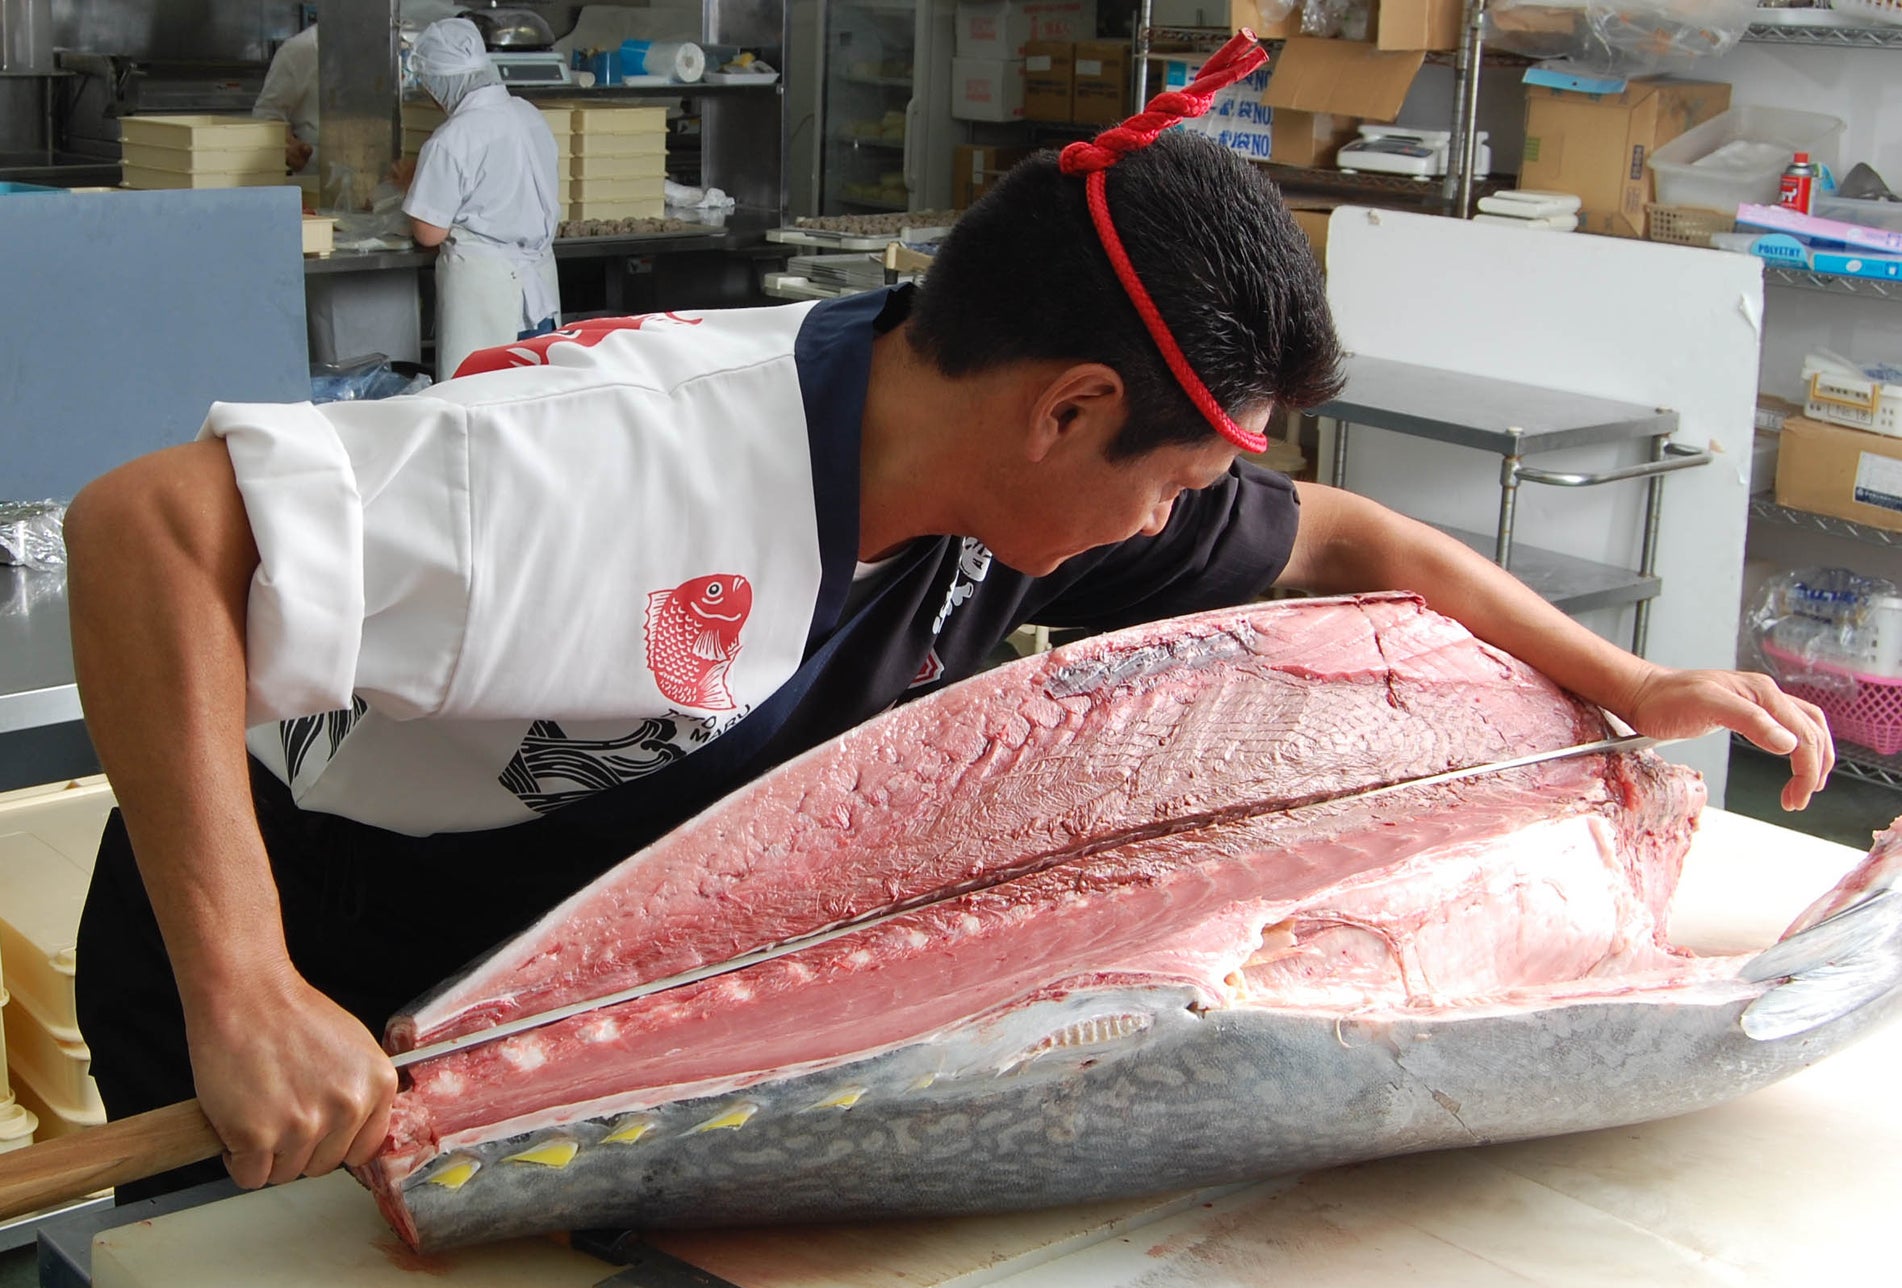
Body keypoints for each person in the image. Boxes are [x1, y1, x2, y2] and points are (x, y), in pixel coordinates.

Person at [63, 35, 1831, 1202]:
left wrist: (1627, 677)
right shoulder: (618, 462)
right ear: (1066, 409)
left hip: (555, 951)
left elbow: (1348, 543)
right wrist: (244, 989)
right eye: (1168, 484)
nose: (1173, 526)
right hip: (302, 929)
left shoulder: (995, 496)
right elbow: (147, 531)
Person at [399, 17, 562, 381]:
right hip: (538, 285)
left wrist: (412, 186)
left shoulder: (452, 138)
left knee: (480, 396)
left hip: (488, 292)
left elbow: (428, 233)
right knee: (535, 394)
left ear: (440, 83)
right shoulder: (528, 115)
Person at [252, 24, 319, 172]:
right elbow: (268, 114)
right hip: (318, 177)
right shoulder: (299, 50)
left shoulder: (374, 45)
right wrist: (288, 145)